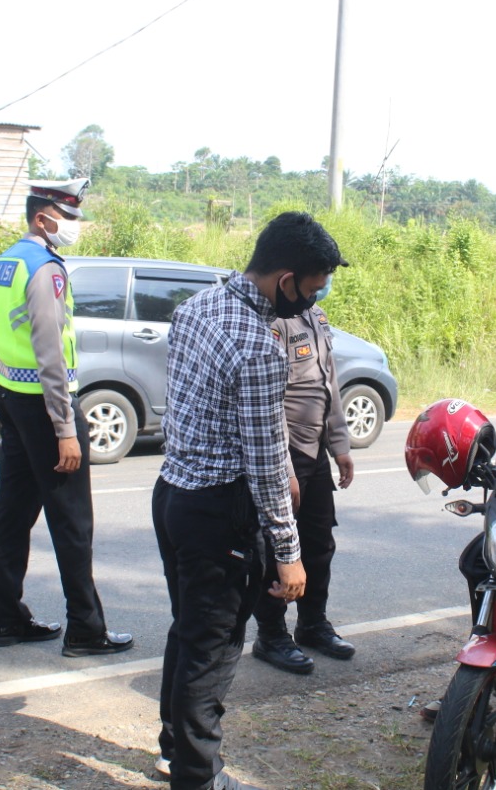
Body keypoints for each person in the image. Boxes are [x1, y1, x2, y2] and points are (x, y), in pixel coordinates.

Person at [152, 211, 346, 790]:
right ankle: (198, 776)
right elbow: (264, 464)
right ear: (285, 279)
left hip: (173, 495)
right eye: (310, 289)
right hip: (220, 512)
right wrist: (288, 553)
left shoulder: (198, 306)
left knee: (188, 631)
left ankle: (174, 751)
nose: (311, 301)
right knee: (212, 651)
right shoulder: (261, 348)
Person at [0, 178, 132, 658]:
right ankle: (86, 630)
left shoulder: (7, 261)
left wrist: (0, 395)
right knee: (72, 522)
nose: (72, 226)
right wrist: (65, 427)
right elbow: (49, 349)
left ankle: (7, 619)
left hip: (13, 396)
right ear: (42, 216)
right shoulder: (46, 268)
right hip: (46, 406)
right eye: (67, 217)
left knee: (12, 513)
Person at [251, 281, 356, 675]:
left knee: (318, 542)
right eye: (318, 278)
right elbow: (272, 397)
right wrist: (285, 469)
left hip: (316, 452)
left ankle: (312, 624)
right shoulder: (274, 322)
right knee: (276, 547)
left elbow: (329, 385)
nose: (324, 285)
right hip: (286, 453)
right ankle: (272, 635)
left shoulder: (316, 316)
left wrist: (340, 446)